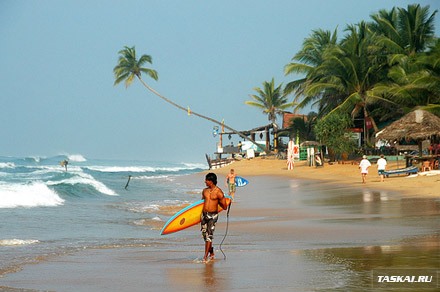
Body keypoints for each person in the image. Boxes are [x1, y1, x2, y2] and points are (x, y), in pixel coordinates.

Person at [201, 173, 228, 262]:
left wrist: (222, 202)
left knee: (209, 236)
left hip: (213, 216)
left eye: (206, 180)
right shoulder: (204, 191)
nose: (205, 181)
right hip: (204, 215)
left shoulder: (219, 192)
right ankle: (211, 250)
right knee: (205, 236)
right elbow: (200, 204)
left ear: (211, 181)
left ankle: (205, 257)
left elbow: (224, 207)